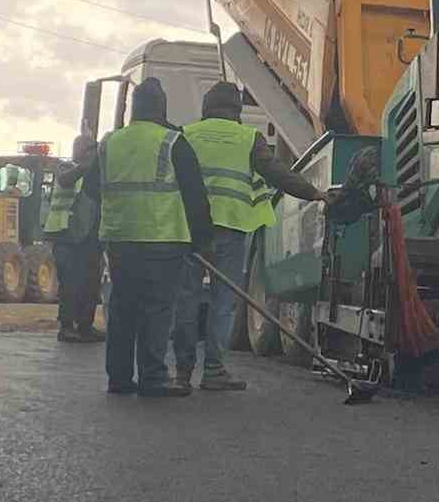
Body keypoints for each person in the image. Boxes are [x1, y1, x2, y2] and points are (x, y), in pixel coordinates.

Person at [172, 81, 328, 391]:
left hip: (188, 231)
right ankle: (214, 370)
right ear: (237, 110)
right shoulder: (247, 138)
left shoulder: (186, 135)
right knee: (222, 301)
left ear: (206, 108)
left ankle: (181, 373)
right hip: (231, 228)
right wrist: (315, 193)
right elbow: (278, 174)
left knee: (186, 300)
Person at [82, 79, 213, 397]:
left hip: (121, 240)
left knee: (123, 308)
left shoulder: (110, 143)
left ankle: (119, 378)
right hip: (163, 239)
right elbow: (195, 196)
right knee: (157, 309)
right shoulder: (173, 142)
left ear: (132, 110)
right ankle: (153, 377)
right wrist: (202, 241)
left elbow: (90, 187)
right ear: (161, 108)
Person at [45, 133, 105, 344]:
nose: (93, 153)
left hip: (90, 237)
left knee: (90, 283)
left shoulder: (94, 173)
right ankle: (67, 326)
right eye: (90, 149)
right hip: (66, 236)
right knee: (70, 283)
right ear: (80, 150)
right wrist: (90, 161)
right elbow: (66, 179)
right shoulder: (66, 168)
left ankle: (85, 325)